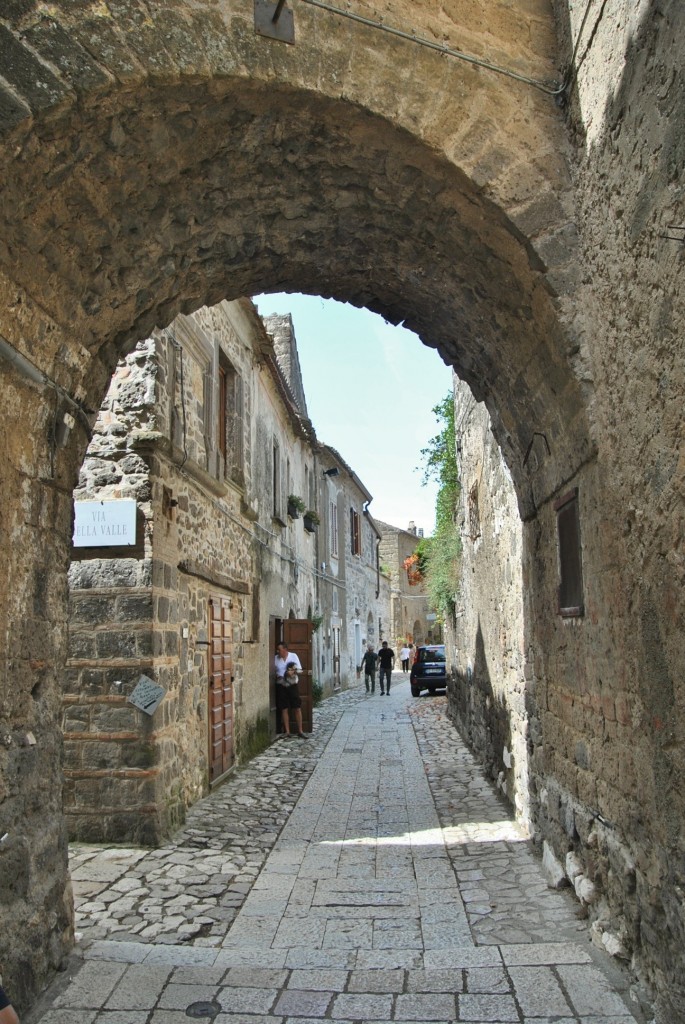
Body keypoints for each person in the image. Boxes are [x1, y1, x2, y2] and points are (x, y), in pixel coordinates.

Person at [274, 642, 307, 738]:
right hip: (281, 685)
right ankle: (287, 731)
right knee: (284, 708)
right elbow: (273, 671)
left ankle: (300, 730)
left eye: (279, 650)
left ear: (285, 649)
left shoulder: (293, 656)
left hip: (292, 685)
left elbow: (300, 670)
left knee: (297, 707)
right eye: (277, 650)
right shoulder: (275, 659)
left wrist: (292, 672)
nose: (278, 652)